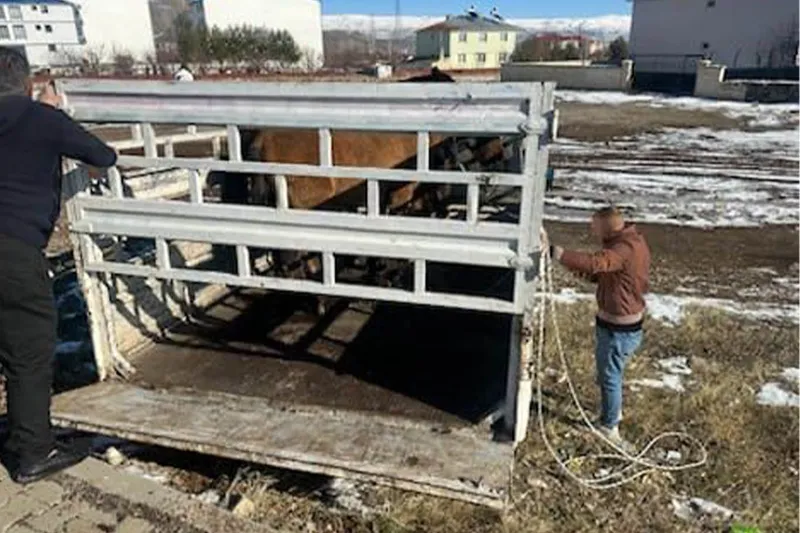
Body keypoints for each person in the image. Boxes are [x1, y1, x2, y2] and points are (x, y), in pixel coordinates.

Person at [0, 47, 117, 483]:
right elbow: (103, 156)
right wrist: (50, 114)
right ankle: (34, 452)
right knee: (28, 349)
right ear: (29, 83)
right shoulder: (42, 119)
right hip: (12, 248)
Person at [541, 206, 651, 450]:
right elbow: (600, 273)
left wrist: (557, 253)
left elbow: (597, 264)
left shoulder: (624, 248)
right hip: (615, 325)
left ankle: (610, 427)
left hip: (619, 329)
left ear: (607, 226)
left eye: (595, 225)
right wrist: (572, 266)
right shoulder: (626, 243)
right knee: (607, 375)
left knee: (610, 377)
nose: (592, 230)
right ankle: (610, 414)